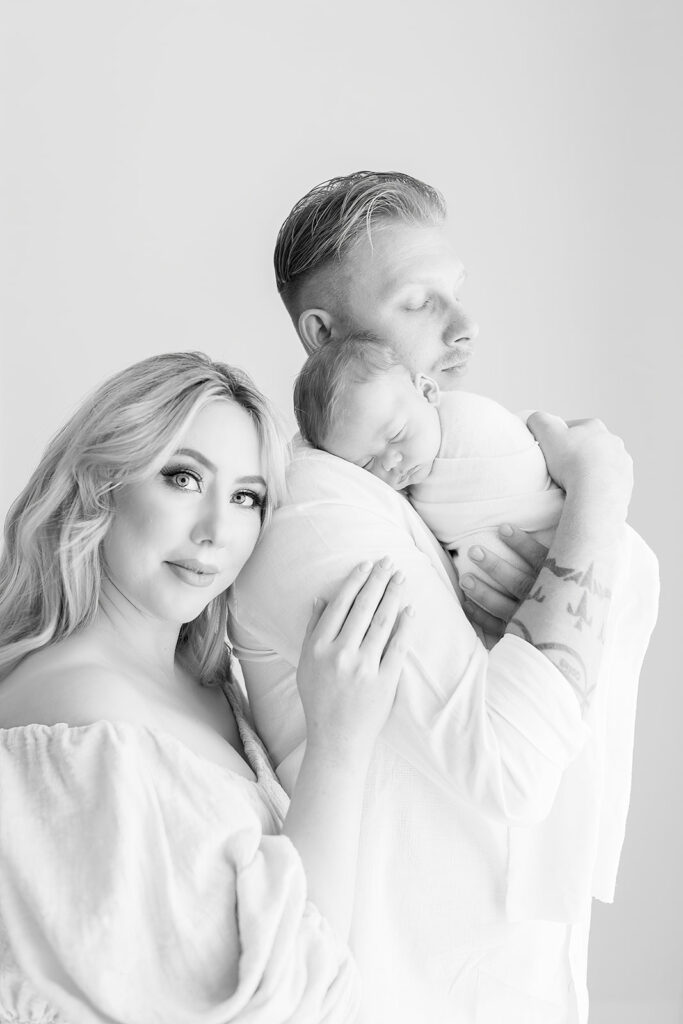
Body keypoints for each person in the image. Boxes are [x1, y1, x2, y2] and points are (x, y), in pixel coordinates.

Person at [228, 172, 659, 1023]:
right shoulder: (318, 516)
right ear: (321, 335)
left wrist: (531, 620)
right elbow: (505, 763)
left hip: (512, 984)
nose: (463, 331)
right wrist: (600, 494)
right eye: (419, 302)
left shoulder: (423, 496)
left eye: (456, 295)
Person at [0, 350, 415, 1022]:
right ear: (100, 483)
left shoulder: (212, 689)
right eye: (182, 478)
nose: (216, 532)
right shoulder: (76, 718)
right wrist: (339, 740)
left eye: (246, 497)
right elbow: (286, 994)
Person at [293, 330, 564, 618]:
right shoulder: (385, 501)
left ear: (426, 392)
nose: (390, 462)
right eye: (366, 464)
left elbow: (538, 449)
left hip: (554, 534)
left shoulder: (469, 421)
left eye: (396, 434)